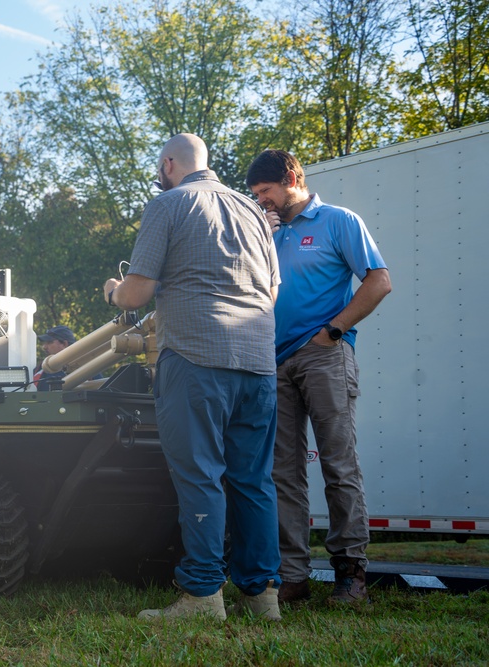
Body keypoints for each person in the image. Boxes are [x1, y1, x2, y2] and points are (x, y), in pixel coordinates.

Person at [105, 133, 282, 621]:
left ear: (169, 164)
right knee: (253, 480)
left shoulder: (169, 204)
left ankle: (203, 596)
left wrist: (116, 290)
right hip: (258, 363)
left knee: (201, 476)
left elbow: (138, 294)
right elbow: (271, 291)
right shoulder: (253, 211)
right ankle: (263, 596)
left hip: (196, 359)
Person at [246, 149, 392, 606]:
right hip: (274, 364)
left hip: (324, 358)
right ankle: (293, 576)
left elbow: (379, 281)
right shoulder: (265, 231)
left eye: (266, 192)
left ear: (291, 178)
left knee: (337, 464)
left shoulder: (338, 220)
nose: (262, 202)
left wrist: (333, 332)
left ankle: (351, 575)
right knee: (282, 475)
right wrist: (259, 239)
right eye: (256, 196)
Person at [34, 325, 77, 390]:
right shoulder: (40, 370)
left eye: (49, 342)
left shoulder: (86, 368)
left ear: (64, 344)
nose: (44, 347)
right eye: (45, 343)